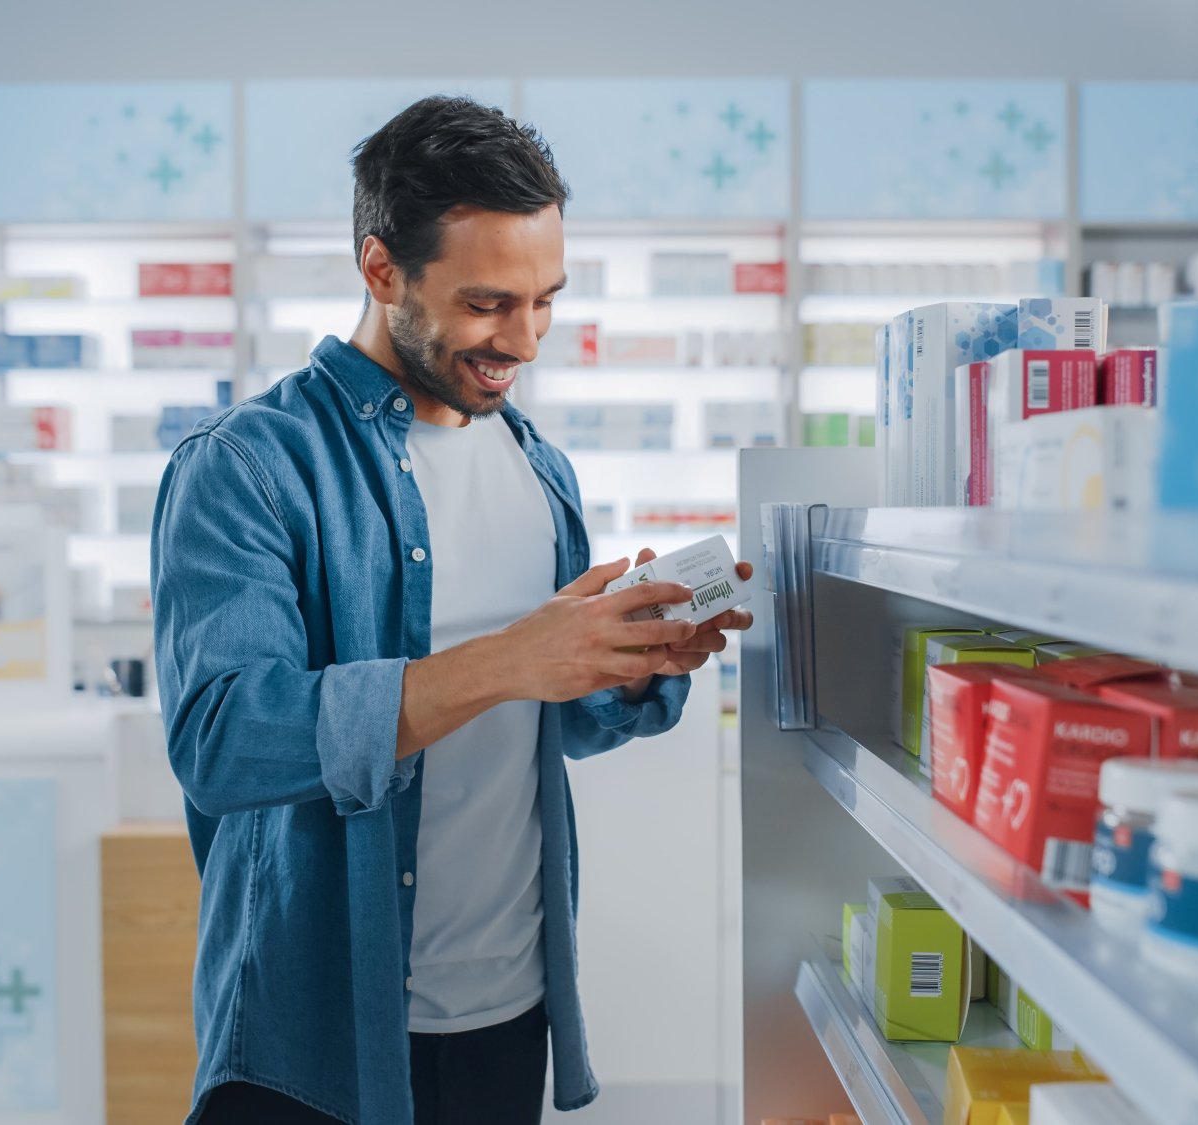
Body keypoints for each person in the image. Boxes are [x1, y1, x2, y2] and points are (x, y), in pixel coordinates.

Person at [151, 96, 754, 1125]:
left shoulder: (537, 466)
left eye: (544, 301)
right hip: (315, 1037)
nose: (522, 340)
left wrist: (626, 666)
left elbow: (545, 725)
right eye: (487, 304)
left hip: (506, 1011)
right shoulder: (247, 468)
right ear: (382, 270)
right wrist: (512, 659)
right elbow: (223, 741)